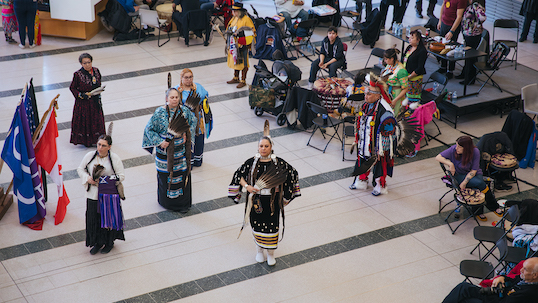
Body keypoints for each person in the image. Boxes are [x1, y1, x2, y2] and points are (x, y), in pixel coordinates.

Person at [229, 124, 301, 266]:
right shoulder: (251, 163)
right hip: (256, 201)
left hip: (272, 202)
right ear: (257, 147)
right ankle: (259, 251)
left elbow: (293, 174)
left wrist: (283, 189)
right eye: (261, 146)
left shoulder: (279, 163)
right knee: (257, 226)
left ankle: (270, 254)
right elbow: (238, 175)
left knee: (272, 226)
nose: (263, 149)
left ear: (271, 147)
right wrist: (247, 186)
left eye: (266, 146)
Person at [142, 88, 197, 213]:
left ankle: (183, 204)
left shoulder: (184, 111)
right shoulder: (159, 113)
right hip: (165, 153)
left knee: (182, 175)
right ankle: (166, 203)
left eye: (176, 97)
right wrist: (160, 142)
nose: (174, 100)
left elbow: (193, 122)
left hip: (181, 153)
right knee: (166, 176)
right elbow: (149, 129)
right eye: (172, 97)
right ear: (167, 99)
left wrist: (186, 134)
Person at [77, 134, 125, 255]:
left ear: (109, 147)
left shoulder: (114, 158)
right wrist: (87, 178)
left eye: (103, 145)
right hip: (93, 195)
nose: (100, 148)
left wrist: (103, 181)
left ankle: (109, 242)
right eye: (99, 144)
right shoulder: (90, 156)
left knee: (108, 219)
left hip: (108, 195)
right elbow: (80, 169)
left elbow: (121, 175)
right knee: (94, 218)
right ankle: (97, 242)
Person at [435, 135, 504, 221]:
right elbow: (438, 157)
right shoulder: (453, 150)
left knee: (478, 184)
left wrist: (464, 183)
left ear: (467, 148)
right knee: (480, 184)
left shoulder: (475, 151)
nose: (457, 148)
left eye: (460, 147)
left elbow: (474, 170)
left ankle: (480, 211)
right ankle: (493, 206)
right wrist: (450, 164)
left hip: (473, 173)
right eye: (457, 145)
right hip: (458, 174)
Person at [349, 74, 397, 196]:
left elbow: (389, 133)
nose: (365, 96)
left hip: (378, 146)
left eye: (369, 94)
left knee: (380, 165)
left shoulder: (385, 111)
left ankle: (380, 186)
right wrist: (357, 138)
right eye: (365, 93)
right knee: (362, 159)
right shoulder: (366, 105)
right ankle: (361, 180)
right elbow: (359, 122)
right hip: (364, 141)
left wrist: (382, 149)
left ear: (377, 95)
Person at [442, 257, 538, 303]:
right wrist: (502, 278)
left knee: (464, 298)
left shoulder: (529, 292)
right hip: (499, 296)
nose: (520, 270)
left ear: (535, 275)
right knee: (463, 287)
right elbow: (513, 279)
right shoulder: (527, 279)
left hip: (497, 300)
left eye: (525, 269)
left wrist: (489, 292)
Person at [173, 68, 211, 167]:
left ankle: (197, 160)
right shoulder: (176, 90)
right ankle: (188, 162)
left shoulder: (198, 87)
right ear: (181, 78)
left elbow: (205, 97)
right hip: (184, 120)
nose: (189, 80)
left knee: (198, 139)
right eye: (186, 77)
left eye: (190, 77)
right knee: (186, 140)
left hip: (197, 118)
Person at [70, 53, 106, 147]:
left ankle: (97, 139)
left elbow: (98, 82)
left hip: (95, 101)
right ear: (81, 64)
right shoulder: (77, 74)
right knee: (85, 121)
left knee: (96, 119)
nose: (87, 65)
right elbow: (72, 88)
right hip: (83, 103)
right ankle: (86, 141)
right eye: (84, 63)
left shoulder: (96, 71)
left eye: (89, 62)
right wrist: (80, 95)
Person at [457, 0, 486, 86]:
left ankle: (470, 78)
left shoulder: (476, 5)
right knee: (467, 56)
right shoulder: (469, 5)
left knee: (471, 57)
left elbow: (483, 17)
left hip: (473, 35)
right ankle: (464, 73)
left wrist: (477, 25)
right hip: (467, 34)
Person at [437, 0, 466, 79]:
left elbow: (459, 17)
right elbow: (443, 5)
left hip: (453, 26)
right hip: (444, 23)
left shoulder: (461, 1)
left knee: (451, 48)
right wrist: (440, 20)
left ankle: (450, 70)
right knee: (443, 45)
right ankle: (443, 66)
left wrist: (451, 31)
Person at [381, 47, 409, 116]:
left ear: (392, 59)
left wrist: (395, 100)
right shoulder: (389, 65)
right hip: (388, 93)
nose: (385, 61)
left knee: (393, 115)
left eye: (386, 59)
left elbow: (406, 88)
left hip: (396, 95)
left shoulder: (401, 70)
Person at [403, 30, 427, 104]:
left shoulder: (422, 51)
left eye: (412, 38)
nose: (409, 39)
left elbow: (419, 68)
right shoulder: (409, 47)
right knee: (404, 98)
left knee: (412, 100)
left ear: (418, 40)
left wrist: (409, 77)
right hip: (406, 76)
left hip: (414, 79)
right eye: (409, 37)